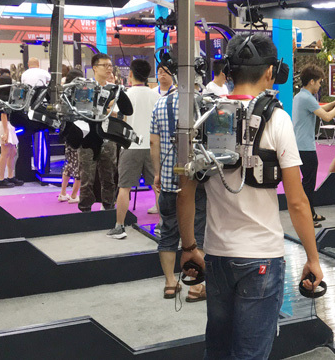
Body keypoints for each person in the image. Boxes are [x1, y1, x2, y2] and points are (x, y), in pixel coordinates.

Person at [177, 34, 323, 358]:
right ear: (271, 72)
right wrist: (312, 258)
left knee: (217, 350)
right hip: (262, 257)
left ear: (228, 70)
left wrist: (188, 248)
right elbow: (297, 201)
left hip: (216, 255)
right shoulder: (278, 119)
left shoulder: (203, 118)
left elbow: (185, 194)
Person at [149, 76, 208, 301]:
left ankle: (170, 283)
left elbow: (153, 142)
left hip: (168, 181)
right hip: (195, 181)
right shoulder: (202, 104)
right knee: (198, 231)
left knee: (168, 232)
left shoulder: (160, 104)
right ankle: (195, 286)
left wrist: (157, 173)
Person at [107, 59, 160, 239]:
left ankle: (119, 227)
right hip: (152, 147)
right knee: (157, 187)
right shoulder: (156, 96)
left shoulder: (125, 95)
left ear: (130, 74)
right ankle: (162, 224)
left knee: (124, 187)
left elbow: (119, 118)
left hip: (130, 146)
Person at [292, 65, 335, 227]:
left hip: (300, 145)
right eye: (319, 82)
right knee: (308, 184)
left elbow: (320, 109)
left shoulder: (301, 96)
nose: (320, 85)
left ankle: (311, 213)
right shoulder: (307, 98)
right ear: (312, 81)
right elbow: (327, 116)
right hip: (306, 147)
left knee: (307, 183)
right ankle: (306, 217)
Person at [77, 53, 118, 212]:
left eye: (110, 65)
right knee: (87, 177)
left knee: (109, 176)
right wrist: (105, 110)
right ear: (95, 68)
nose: (109, 69)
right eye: (104, 65)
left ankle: (108, 208)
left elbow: (118, 113)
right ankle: (85, 209)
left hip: (108, 137)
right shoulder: (85, 88)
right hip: (87, 137)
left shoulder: (115, 90)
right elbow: (80, 111)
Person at [0, 74, 22, 188]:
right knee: (5, 153)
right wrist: (6, 132)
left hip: (6, 125)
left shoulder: (0, 96)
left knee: (12, 152)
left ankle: (10, 176)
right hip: (5, 125)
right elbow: (3, 115)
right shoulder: (3, 98)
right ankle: (1, 179)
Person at [58, 69, 84, 203]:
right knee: (79, 165)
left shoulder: (64, 94)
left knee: (69, 164)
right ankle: (74, 195)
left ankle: (63, 193)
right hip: (78, 132)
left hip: (67, 132)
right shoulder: (78, 95)